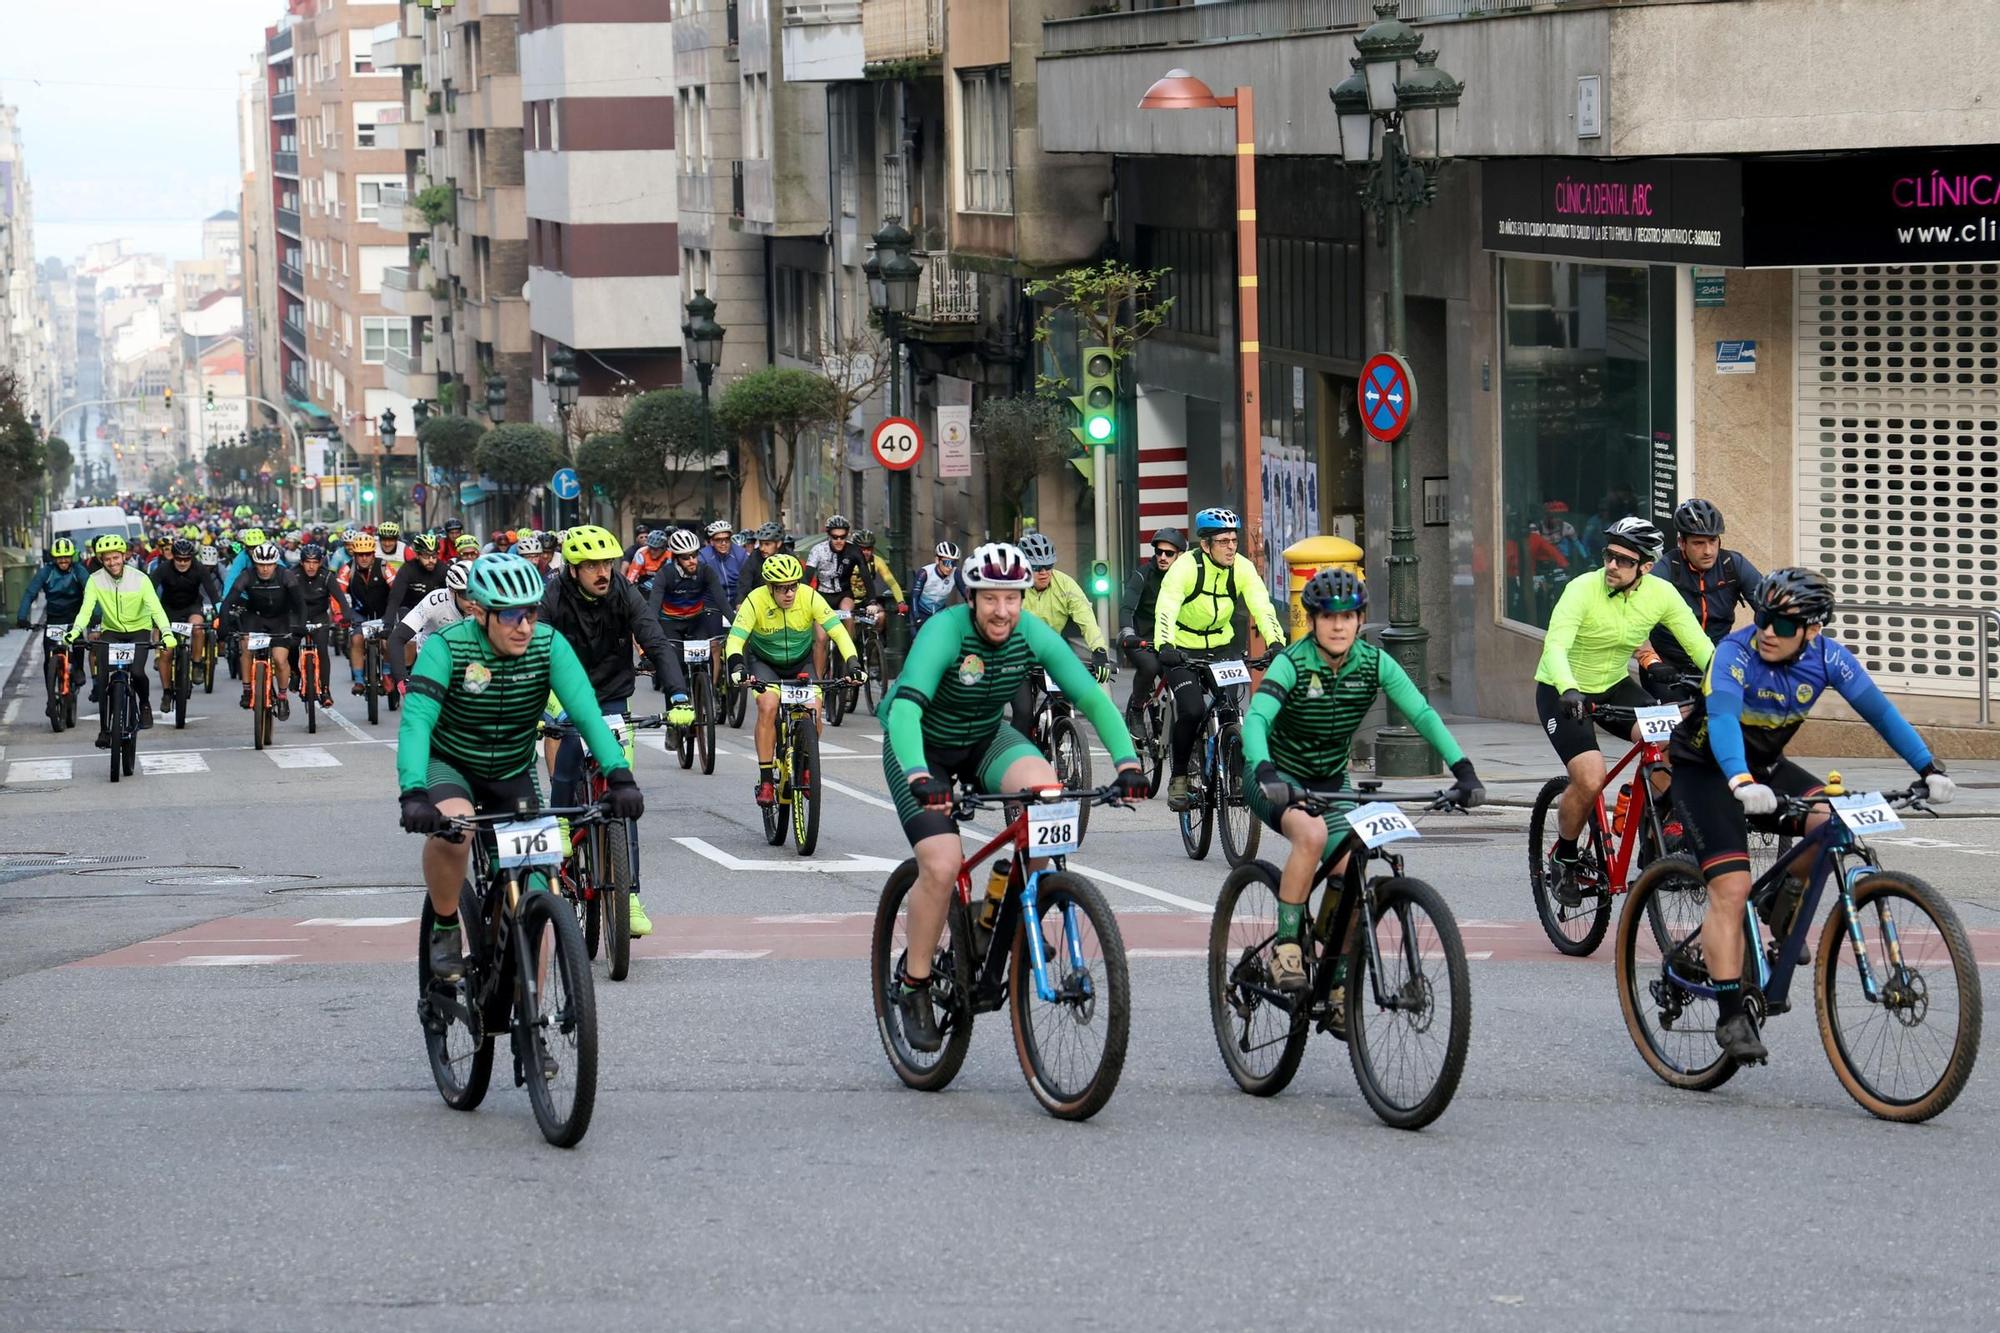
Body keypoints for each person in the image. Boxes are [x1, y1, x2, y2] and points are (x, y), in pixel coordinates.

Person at [1668, 567, 1953, 1063]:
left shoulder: (1828, 659)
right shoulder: (1734, 655)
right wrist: (1739, 780)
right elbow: (1722, 721)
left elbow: (1881, 713)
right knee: (1731, 888)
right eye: (1762, 617)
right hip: (1708, 771)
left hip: (1765, 768)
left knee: (1833, 821)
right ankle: (1732, 1013)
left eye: (1781, 624)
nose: (1766, 631)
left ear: (1812, 630)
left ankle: (1779, 907)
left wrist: (1929, 767)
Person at [880, 542, 1151, 1051]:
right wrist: (918, 773)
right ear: (972, 598)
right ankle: (914, 984)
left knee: (1048, 792)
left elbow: (1090, 696)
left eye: (1013, 598)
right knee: (941, 864)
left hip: (984, 737)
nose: (1003, 611)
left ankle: (993, 913)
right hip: (920, 747)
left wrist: (1127, 762)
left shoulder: (1029, 632)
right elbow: (906, 709)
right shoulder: (944, 631)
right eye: (991, 600)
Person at [396, 552, 646, 984]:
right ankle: (444, 927)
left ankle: (535, 1031)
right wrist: (414, 793)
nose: (524, 626)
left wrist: (619, 775)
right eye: (510, 615)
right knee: (457, 830)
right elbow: (417, 722)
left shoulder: (548, 645)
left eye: (530, 612)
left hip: (512, 768)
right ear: (479, 611)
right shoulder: (447, 647)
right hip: (450, 763)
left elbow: (587, 714)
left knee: (536, 894)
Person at [1247, 569, 1484, 993]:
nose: (1338, 626)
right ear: (1313, 621)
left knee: (1351, 868)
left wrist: (1463, 770)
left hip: (1331, 780)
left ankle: (1337, 983)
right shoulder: (1292, 664)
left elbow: (1422, 713)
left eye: (1348, 616)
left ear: (1360, 620)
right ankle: (1286, 950)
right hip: (1276, 775)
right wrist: (1264, 770)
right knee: (1311, 834)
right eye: (1327, 617)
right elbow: (1258, 719)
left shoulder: (1373, 663)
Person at [1534, 516, 1715, 906]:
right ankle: (1565, 856)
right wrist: (1568, 690)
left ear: (1646, 567)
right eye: (1609, 556)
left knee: (1672, 742)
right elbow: (1556, 646)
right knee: (1591, 778)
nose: (1612, 566)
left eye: (1623, 560)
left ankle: (1656, 845)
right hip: (1562, 690)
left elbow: (1702, 648)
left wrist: (1727, 686)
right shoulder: (1582, 589)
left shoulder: (1661, 595)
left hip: (1615, 685)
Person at [539, 525, 679, 937]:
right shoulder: (553, 595)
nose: (603, 572)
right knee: (569, 730)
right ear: (572, 569)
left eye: (607, 563)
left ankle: (630, 896)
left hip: (614, 695)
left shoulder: (622, 590)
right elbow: (533, 644)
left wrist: (680, 697)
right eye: (592, 565)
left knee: (624, 793)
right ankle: (563, 821)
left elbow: (654, 640)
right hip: (563, 690)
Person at [1153, 507, 1287, 811]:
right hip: (1181, 649)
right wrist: (1165, 645)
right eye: (1223, 541)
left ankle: (1235, 776)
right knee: (1191, 709)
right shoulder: (1184, 568)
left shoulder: (1241, 567)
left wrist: (1276, 640)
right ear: (1205, 545)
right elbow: (1166, 607)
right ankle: (1179, 777)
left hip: (1221, 647)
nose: (1230, 547)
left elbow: (1261, 605)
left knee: (1230, 708)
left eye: (1233, 540)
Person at [724, 553, 863, 808]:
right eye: (782, 589)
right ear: (770, 587)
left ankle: (807, 763)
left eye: (793, 586)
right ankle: (767, 779)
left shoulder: (809, 597)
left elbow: (838, 632)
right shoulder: (755, 601)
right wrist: (737, 667)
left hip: (801, 662)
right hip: (765, 663)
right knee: (767, 706)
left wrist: (854, 664)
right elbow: (735, 639)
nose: (789, 593)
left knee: (814, 710)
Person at [65, 535, 175, 741]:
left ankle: (144, 704)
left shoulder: (141, 579)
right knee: (103, 678)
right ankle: (105, 730)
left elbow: (156, 609)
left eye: (116, 558)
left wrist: (166, 632)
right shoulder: (94, 580)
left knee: (137, 671)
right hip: (112, 631)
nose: (112, 563)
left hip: (139, 629)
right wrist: (76, 630)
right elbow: (86, 609)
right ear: (101, 559)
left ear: (123, 556)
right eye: (107, 559)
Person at [1646, 498, 1763, 675]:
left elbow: (1769, 606)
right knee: (1681, 704)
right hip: (1669, 663)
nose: (1708, 551)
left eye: (1712, 540)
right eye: (1698, 543)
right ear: (1682, 543)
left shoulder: (1732, 565)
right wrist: (1650, 659)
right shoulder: (1667, 568)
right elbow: (1633, 618)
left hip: (1715, 658)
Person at [1012, 530, 1110, 733]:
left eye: (1048, 566)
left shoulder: (1065, 585)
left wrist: (1099, 650)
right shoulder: (1012, 586)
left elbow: (1086, 619)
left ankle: (1059, 749)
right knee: (1023, 712)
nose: (1044, 572)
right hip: (1017, 655)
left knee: (1063, 701)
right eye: (1037, 567)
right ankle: (1020, 757)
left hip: (1049, 654)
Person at [644, 526, 728, 728]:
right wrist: (651, 635)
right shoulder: (665, 574)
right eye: (686, 557)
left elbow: (721, 601)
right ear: (676, 558)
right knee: (673, 670)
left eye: (694, 555)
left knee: (707, 655)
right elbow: (653, 608)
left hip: (695, 621)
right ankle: (674, 722)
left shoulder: (705, 571)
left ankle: (707, 692)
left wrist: (740, 625)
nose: (692, 561)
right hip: (670, 624)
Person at [219, 541, 307, 717]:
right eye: (260, 565)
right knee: (245, 647)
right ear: (254, 563)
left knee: (280, 660)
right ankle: (246, 690)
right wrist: (223, 626)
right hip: (255, 617)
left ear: (275, 563)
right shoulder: (246, 576)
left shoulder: (286, 576)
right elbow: (229, 601)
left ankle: (282, 696)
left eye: (269, 565)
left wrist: (300, 627)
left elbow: (300, 604)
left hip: (280, 619)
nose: (265, 569)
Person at [1116, 526, 1185, 729]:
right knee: (1151, 667)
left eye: (1169, 553)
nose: (1162, 557)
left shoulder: (1186, 577)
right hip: (1143, 640)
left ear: (1180, 556)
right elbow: (1127, 608)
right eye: (1158, 552)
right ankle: (1137, 709)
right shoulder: (1142, 575)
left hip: (1173, 640)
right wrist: (1128, 632)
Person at [18, 539, 91, 718]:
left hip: (75, 618)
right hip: (54, 620)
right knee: (48, 657)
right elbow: (30, 593)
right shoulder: (47, 572)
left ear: (72, 556)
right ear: (54, 559)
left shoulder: (79, 571)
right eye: (59, 558)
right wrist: (22, 616)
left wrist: (94, 617)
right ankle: (51, 696)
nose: (63, 561)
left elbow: (91, 592)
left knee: (78, 644)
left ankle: (79, 669)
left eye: (66, 557)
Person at [148, 538, 221, 702]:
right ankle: (166, 693)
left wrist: (221, 614)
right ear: (172, 557)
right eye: (178, 559)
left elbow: (213, 593)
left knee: (198, 627)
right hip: (168, 609)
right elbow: (149, 589)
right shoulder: (163, 568)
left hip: (192, 606)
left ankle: (196, 665)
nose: (182, 563)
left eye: (186, 559)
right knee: (166, 654)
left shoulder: (199, 569)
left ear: (192, 558)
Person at [293, 544, 354, 708]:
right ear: (301, 563)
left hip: (319, 616)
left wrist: (346, 615)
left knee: (322, 650)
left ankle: (325, 689)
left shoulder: (326, 577)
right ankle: (294, 673)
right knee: (290, 644)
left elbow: (340, 598)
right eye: (307, 562)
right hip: (297, 616)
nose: (311, 566)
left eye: (315, 562)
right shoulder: (293, 575)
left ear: (320, 563)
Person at [339, 532, 394, 693]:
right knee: (356, 640)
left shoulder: (384, 566)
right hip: (359, 614)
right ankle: (359, 680)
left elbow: (397, 588)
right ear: (354, 555)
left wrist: (394, 611)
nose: (364, 558)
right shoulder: (347, 569)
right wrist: (340, 614)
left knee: (386, 642)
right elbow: (338, 593)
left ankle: (387, 674)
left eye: (367, 554)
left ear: (373, 554)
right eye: (360, 555)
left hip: (383, 612)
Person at [384, 532, 444, 628]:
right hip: (410, 611)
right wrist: (388, 625)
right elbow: (395, 599)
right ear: (417, 555)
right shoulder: (407, 569)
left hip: (434, 612)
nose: (431, 560)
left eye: (434, 555)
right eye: (426, 556)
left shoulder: (442, 569)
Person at [908, 541, 961, 638]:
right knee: (918, 641)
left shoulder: (956, 573)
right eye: (947, 562)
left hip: (939, 611)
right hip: (921, 611)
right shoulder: (925, 573)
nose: (950, 567)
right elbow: (914, 596)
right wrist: (917, 618)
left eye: (953, 563)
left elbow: (966, 594)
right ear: (937, 560)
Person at [737, 522, 786, 609]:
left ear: (778, 543)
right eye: (760, 544)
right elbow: (744, 583)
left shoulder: (789, 558)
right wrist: (741, 602)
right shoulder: (755, 556)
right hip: (759, 604)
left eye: (767, 544)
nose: (762, 548)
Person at [699, 519, 749, 604]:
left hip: (738, 601)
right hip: (713, 603)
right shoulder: (704, 556)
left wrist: (740, 602)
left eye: (727, 539)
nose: (723, 543)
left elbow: (746, 581)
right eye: (718, 540)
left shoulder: (741, 554)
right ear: (711, 542)